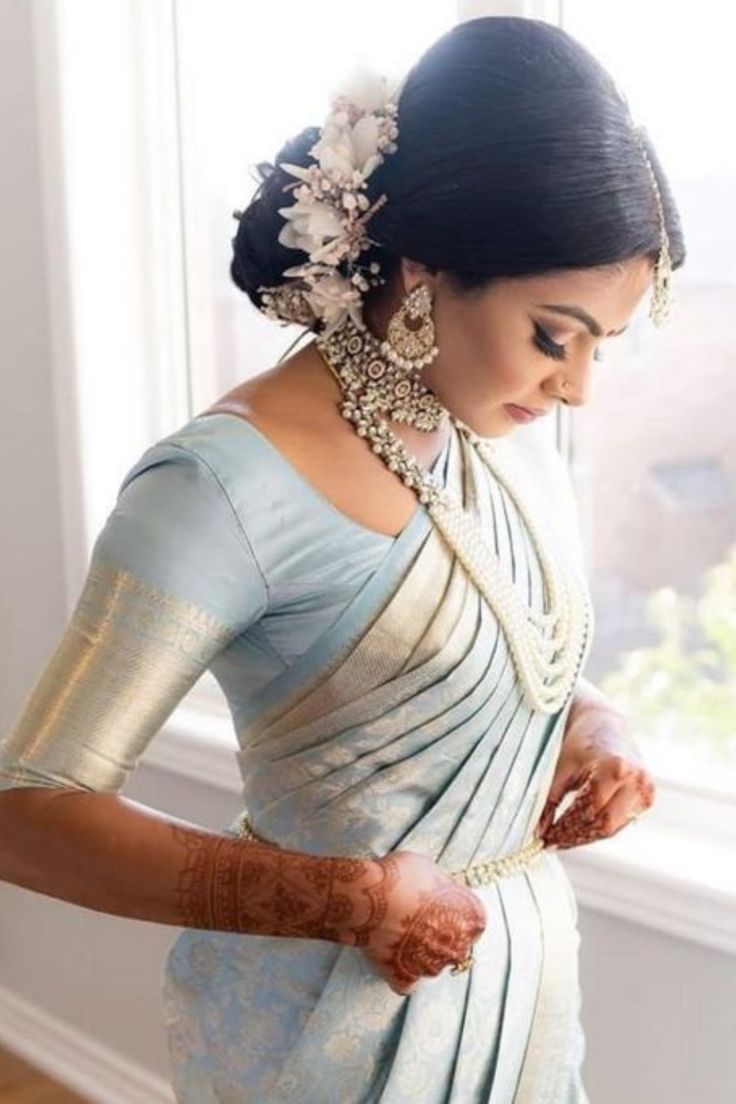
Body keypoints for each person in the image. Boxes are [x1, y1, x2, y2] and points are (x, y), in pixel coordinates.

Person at [0, 15, 684, 1104]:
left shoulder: (493, 434)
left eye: (607, 343)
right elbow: (27, 813)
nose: (579, 388)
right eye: (555, 335)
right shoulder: (225, 485)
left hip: (519, 986)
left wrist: (591, 728)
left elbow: (492, 646)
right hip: (329, 1026)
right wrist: (350, 900)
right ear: (423, 268)